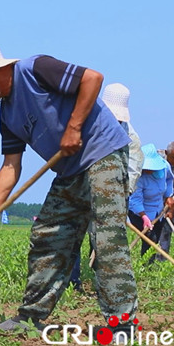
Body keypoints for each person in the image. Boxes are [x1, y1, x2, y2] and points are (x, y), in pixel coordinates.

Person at [0, 41, 137, 339]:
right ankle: (30, 317)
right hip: (69, 171)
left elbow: (93, 78)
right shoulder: (7, 116)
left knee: (106, 239)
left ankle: (122, 325)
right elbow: (11, 166)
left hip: (102, 154)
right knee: (48, 234)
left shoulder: (34, 69)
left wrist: (74, 128)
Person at [68, 83, 144, 291]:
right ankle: (71, 283)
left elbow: (133, 169)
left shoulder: (131, 138)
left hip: (111, 197)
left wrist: (118, 196)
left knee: (104, 242)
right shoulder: (86, 125)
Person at [130, 144, 174, 263]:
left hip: (158, 209)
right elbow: (135, 199)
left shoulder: (164, 167)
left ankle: (153, 265)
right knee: (150, 237)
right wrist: (144, 216)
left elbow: (169, 180)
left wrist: (168, 196)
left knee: (158, 236)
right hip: (140, 211)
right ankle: (146, 267)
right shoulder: (138, 177)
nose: (149, 170)